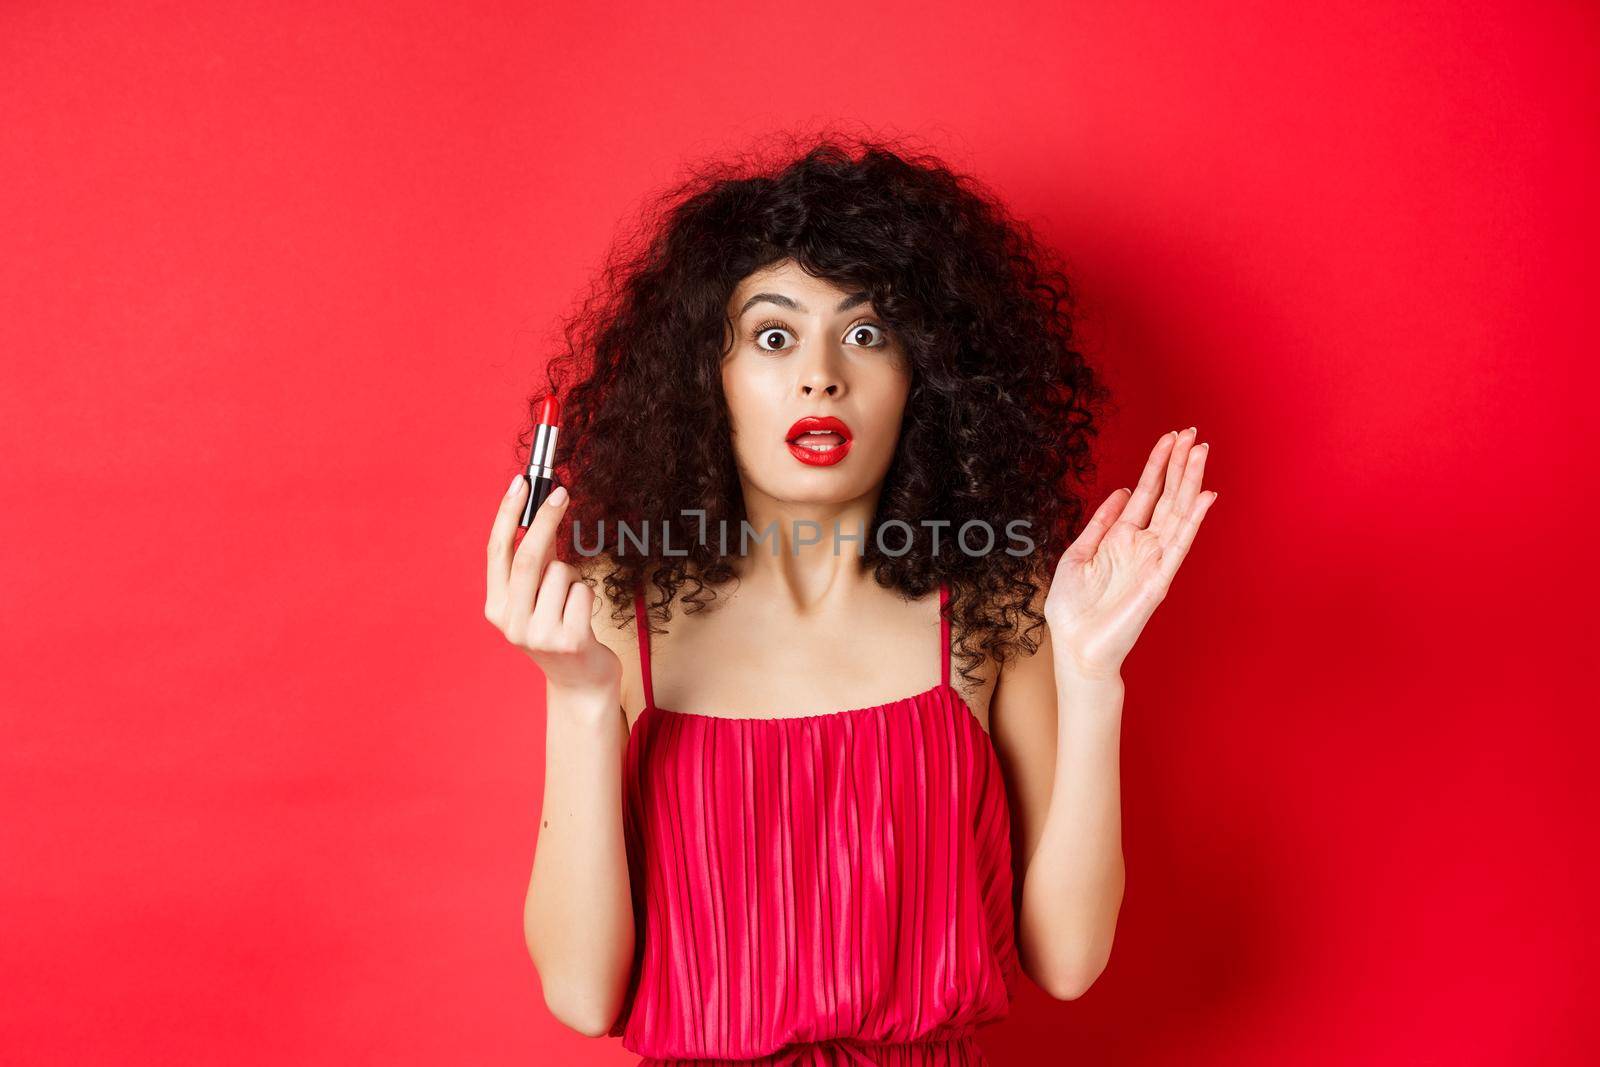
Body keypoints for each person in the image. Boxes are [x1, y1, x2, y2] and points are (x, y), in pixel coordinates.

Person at [484, 136, 1217, 1064]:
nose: (821, 373)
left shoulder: (995, 602)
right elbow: (584, 995)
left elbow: (1068, 961)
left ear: (930, 374)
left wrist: (1092, 674)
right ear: (707, 374)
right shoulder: (614, 610)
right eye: (775, 335)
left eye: (867, 333)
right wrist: (580, 698)